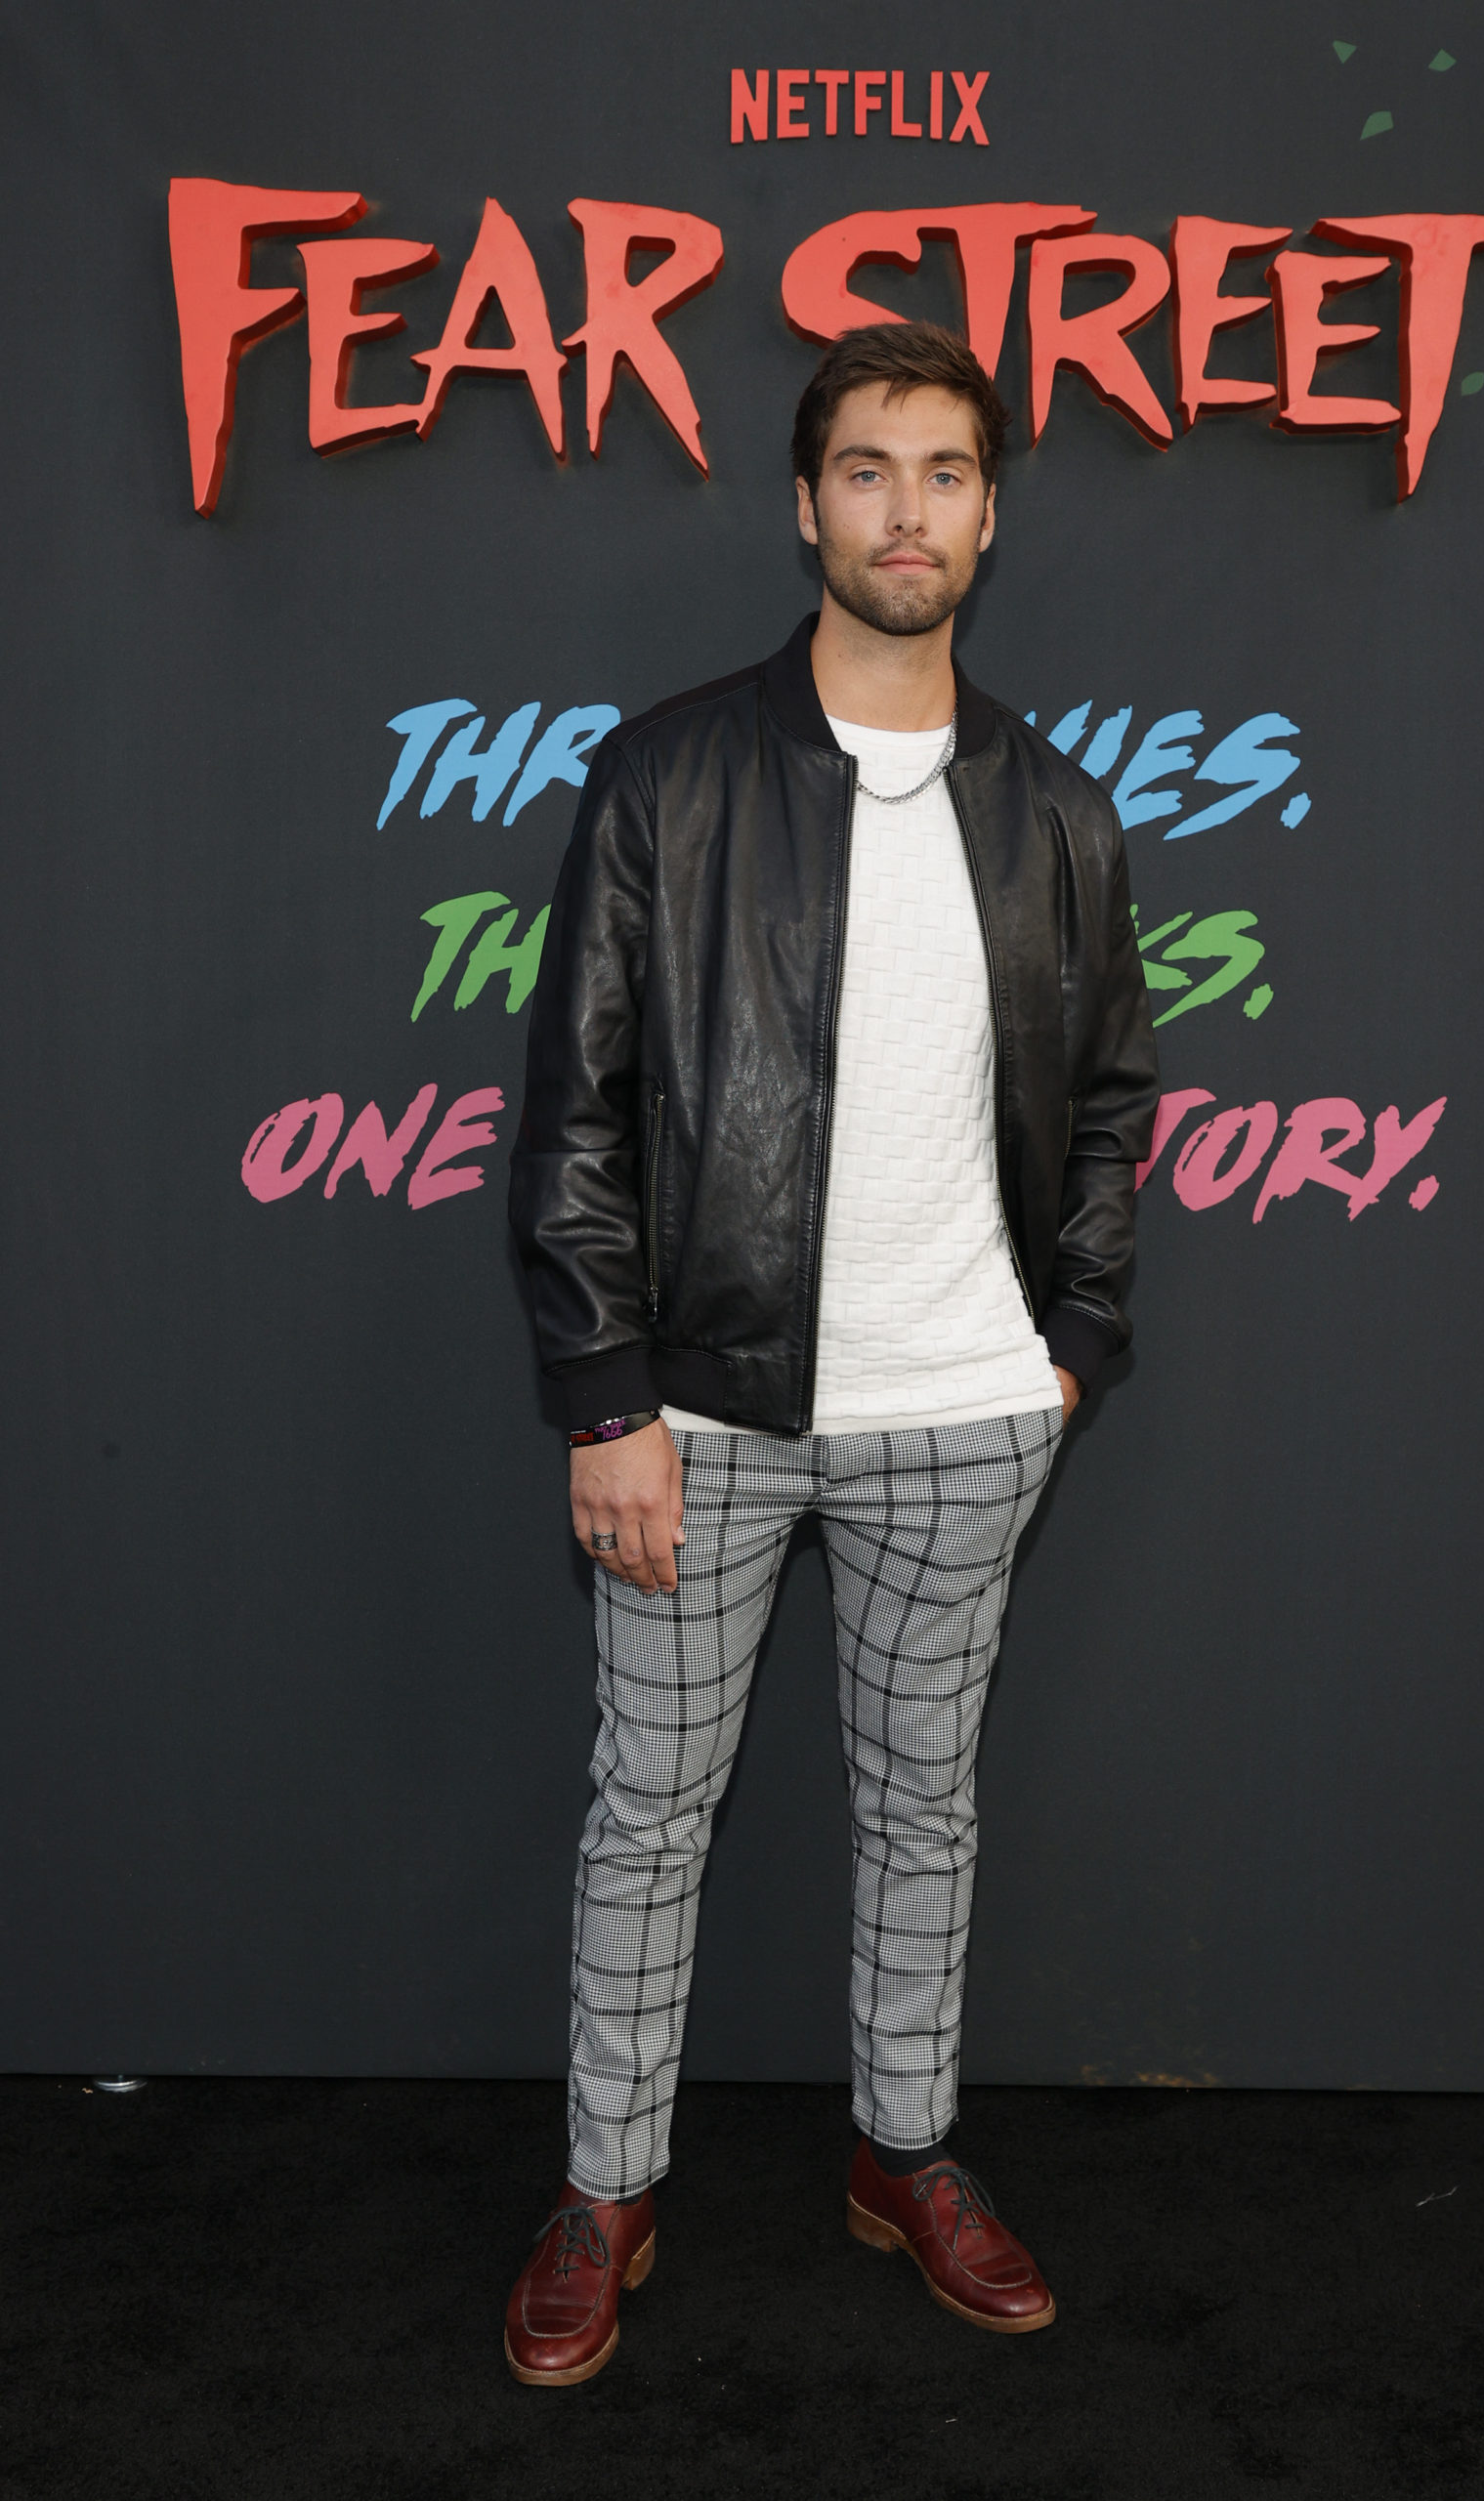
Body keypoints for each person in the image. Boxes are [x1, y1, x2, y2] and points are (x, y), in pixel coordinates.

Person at [504, 319, 1160, 2385]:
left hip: (967, 1413)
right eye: (866, 468)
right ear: (805, 506)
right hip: (696, 1419)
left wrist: (1067, 1346)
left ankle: (905, 2153)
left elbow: (1111, 1103)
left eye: (945, 471)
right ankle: (607, 2188)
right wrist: (606, 1396)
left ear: (989, 513)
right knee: (649, 1810)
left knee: (924, 1810)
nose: (906, 510)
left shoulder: (1056, 811)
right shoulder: (667, 777)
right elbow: (574, 1111)